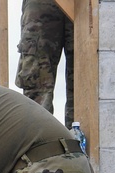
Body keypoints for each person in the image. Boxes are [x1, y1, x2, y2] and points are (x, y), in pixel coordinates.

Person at [16, 0, 74, 128]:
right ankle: (40, 143)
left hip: (87, 4)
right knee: (37, 78)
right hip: (42, 4)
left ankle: (81, 144)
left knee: (86, 79)